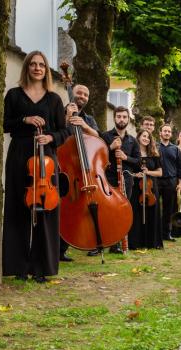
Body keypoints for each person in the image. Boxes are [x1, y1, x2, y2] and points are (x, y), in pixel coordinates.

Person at [2, 51, 68, 283]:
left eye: (42, 65)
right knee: (18, 209)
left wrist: (50, 138)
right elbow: (3, 123)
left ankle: (42, 267)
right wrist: (24, 120)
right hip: (20, 155)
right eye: (33, 64)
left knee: (46, 212)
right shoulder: (13, 95)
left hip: (46, 160)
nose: (38, 68)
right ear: (27, 68)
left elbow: (65, 131)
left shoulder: (54, 99)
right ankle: (18, 266)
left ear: (46, 70)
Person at [59, 83, 100, 262]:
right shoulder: (60, 112)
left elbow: (98, 138)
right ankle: (56, 248)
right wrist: (67, 119)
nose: (81, 96)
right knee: (62, 208)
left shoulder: (89, 119)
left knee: (79, 207)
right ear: (72, 94)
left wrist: (84, 125)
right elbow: (56, 132)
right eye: (79, 93)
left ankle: (66, 246)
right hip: (64, 168)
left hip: (84, 169)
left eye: (85, 94)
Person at [94, 106, 140, 255]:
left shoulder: (133, 141)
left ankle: (117, 244)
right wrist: (110, 147)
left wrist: (126, 158)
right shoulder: (106, 136)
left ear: (128, 119)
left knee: (121, 212)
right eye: (119, 116)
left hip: (126, 180)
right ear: (114, 118)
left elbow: (139, 162)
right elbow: (97, 155)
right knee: (105, 211)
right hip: (107, 179)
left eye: (124, 117)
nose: (122, 119)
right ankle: (99, 244)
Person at [128, 129, 163, 249]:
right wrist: (135, 174)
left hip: (151, 188)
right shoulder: (134, 154)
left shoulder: (154, 154)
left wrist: (149, 172)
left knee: (152, 214)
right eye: (144, 136)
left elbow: (160, 173)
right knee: (136, 214)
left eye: (148, 137)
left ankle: (152, 242)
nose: (146, 139)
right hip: (137, 187)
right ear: (138, 137)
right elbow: (129, 171)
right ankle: (136, 243)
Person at [156, 124, 181, 242]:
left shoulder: (175, 149)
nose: (167, 133)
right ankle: (156, 234)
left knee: (169, 209)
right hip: (157, 181)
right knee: (156, 208)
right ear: (160, 133)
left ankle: (167, 234)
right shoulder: (155, 147)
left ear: (171, 134)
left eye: (169, 131)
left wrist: (180, 183)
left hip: (171, 182)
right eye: (165, 131)